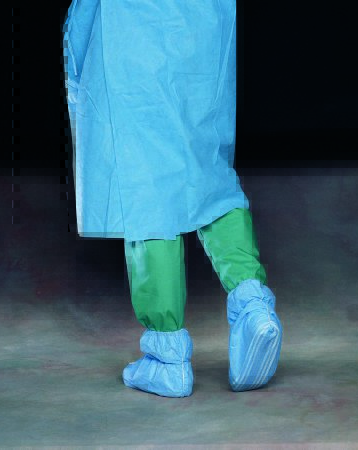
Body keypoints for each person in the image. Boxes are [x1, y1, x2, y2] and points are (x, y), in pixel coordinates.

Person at [63, 0, 283, 397]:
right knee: (209, 174)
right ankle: (252, 303)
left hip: (133, 30)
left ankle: (167, 359)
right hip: (203, 28)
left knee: (146, 185)